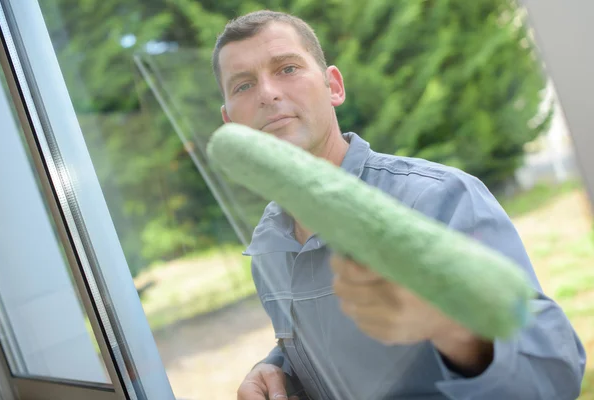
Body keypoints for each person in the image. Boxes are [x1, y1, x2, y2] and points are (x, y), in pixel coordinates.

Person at [211, 10, 586, 400]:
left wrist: (450, 328)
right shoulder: (267, 247)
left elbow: (555, 375)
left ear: (334, 87)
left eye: (287, 68)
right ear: (229, 123)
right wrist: (276, 369)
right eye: (243, 86)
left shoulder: (440, 199)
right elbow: (321, 346)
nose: (267, 93)